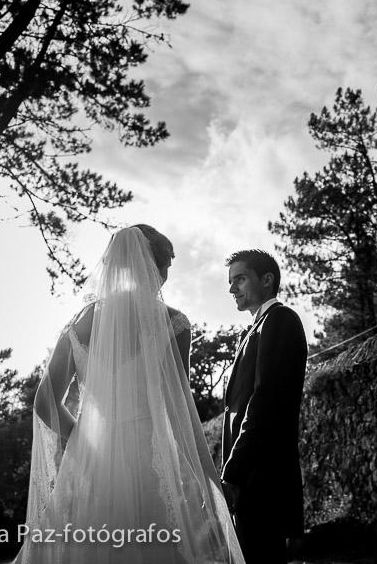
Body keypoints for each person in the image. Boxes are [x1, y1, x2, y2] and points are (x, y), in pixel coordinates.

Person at [15, 225, 244, 564]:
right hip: (146, 463)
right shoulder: (174, 323)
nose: (165, 277)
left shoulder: (78, 325)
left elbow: (45, 403)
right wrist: (206, 480)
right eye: (165, 267)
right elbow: (180, 412)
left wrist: (83, 440)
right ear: (151, 266)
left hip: (89, 468)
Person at [221, 249, 308, 564]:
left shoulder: (281, 320)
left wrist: (233, 472)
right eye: (231, 282)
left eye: (240, 279)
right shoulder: (253, 330)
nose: (232, 289)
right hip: (251, 483)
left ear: (267, 280)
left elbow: (264, 402)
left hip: (264, 481)